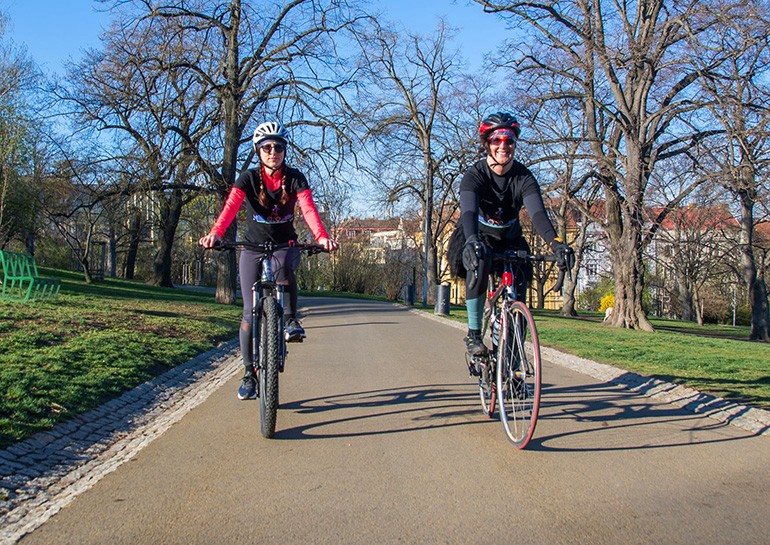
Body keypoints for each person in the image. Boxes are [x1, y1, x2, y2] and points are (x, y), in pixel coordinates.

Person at [199, 121, 338, 400]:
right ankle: (249, 374)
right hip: (251, 246)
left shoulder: (295, 177)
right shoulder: (248, 178)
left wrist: (321, 236)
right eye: (267, 147)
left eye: (278, 147)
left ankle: (289, 321)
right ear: (258, 151)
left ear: (285, 151)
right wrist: (216, 233)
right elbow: (230, 209)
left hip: (283, 244)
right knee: (249, 313)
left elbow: (308, 209)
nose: (273, 152)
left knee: (284, 267)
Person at [450, 112, 574, 357]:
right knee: (480, 257)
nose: (503, 145)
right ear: (487, 144)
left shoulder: (523, 177)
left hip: (511, 238)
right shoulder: (474, 176)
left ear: (515, 144)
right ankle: (474, 333)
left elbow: (539, 215)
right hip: (479, 236)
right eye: (496, 140)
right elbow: (469, 211)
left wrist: (557, 244)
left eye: (509, 140)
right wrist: (472, 240)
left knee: (519, 291)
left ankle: (514, 362)